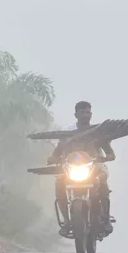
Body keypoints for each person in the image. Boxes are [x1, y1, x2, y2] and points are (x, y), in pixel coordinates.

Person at [47, 101, 116, 236]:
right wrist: (53, 158)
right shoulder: (68, 133)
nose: (86, 115)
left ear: (91, 114)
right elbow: (57, 152)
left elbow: (110, 152)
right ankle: (66, 221)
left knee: (102, 182)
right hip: (72, 168)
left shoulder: (98, 132)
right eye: (82, 112)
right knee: (59, 182)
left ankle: (106, 219)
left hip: (94, 167)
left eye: (88, 112)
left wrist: (108, 156)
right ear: (76, 114)